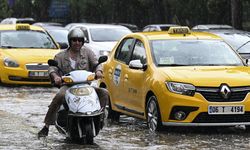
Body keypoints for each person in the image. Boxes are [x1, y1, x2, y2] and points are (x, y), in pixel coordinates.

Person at [37, 28, 109, 138]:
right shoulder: (61, 56)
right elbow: (52, 69)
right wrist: (56, 77)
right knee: (59, 95)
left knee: (104, 92)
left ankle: (100, 118)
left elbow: (96, 63)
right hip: (68, 86)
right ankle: (46, 125)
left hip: (86, 85)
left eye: (80, 40)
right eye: (74, 40)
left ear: (82, 42)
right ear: (70, 41)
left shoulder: (88, 52)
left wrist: (98, 71)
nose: (77, 43)